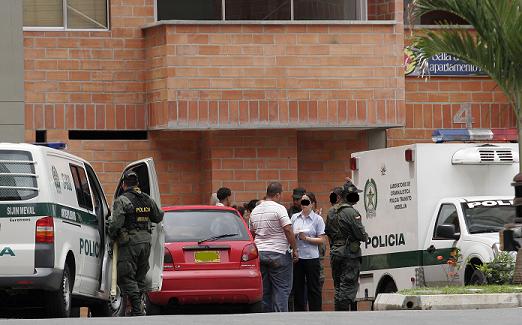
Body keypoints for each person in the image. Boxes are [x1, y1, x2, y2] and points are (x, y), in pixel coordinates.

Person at [108, 171, 164, 316]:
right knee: (140, 277)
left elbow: (116, 224)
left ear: (123, 184)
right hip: (146, 242)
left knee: (125, 276)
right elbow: (158, 217)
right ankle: (137, 309)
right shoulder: (147, 199)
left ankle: (137, 310)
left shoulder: (122, 200)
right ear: (137, 183)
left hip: (130, 243)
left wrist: (111, 234)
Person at [249, 182, 298, 312]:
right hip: (279, 253)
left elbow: (252, 233)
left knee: (265, 291)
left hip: (260, 253)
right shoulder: (279, 208)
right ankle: (280, 319)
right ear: (277, 194)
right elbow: (287, 229)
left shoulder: (255, 210)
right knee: (282, 289)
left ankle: (266, 319)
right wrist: (294, 249)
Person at [325, 179, 368, 311]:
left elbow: (328, 232)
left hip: (335, 252)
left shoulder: (331, 211)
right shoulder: (352, 212)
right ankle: (343, 316)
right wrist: (365, 237)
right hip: (349, 254)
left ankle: (338, 315)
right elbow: (361, 234)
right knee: (348, 285)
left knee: (338, 286)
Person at [291, 192, 326, 311]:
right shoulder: (295, 217)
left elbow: (322, 239)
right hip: (298, 256)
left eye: (307, 202)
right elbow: (290, 234)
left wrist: (306, 238)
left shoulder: (318, 219)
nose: (304, 204)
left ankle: (316, 313)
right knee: (298, 288)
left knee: (314, 288)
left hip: (312, 257)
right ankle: (300, 314)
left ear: (312, 204)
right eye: (302, 202)